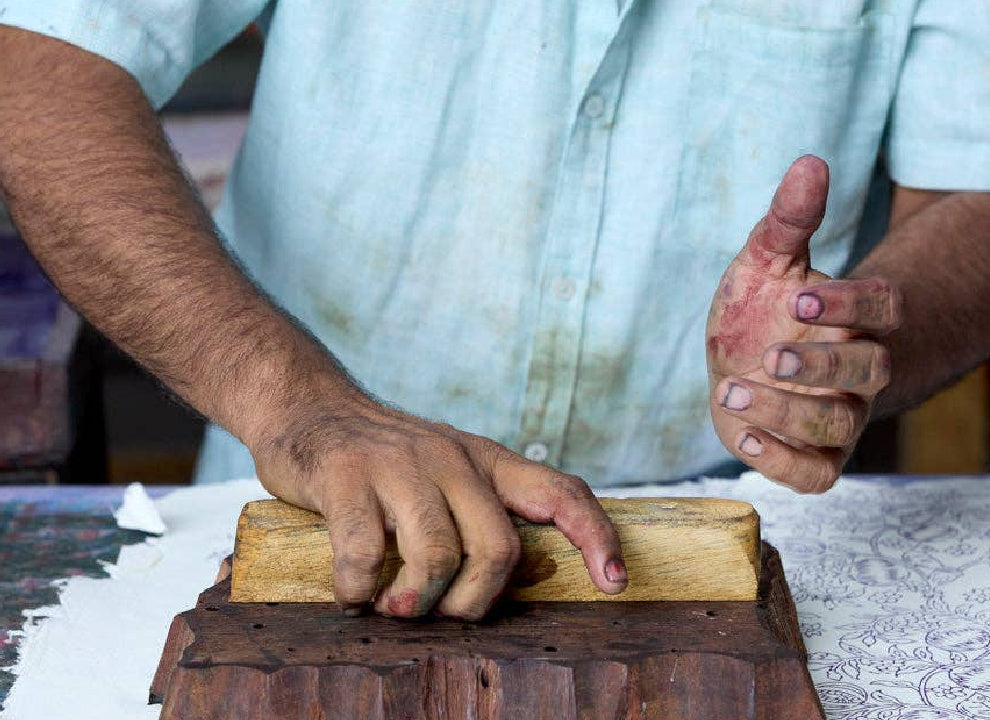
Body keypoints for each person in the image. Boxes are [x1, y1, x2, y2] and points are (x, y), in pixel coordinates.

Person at [0, 2, 988, 621]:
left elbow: (971, 189)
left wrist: (841, 339)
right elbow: (41, 63)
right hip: (303, 508)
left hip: (726, 541)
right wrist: (292, 399)